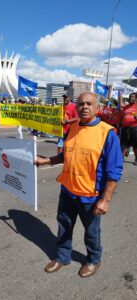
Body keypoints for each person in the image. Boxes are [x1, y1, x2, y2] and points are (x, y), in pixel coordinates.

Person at [36, 92, 123, 278]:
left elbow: (114, 172)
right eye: (81, 103)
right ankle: (62, 256)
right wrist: (46, 161)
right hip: (67, 190)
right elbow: (66, 154)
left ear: (97, 108)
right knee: (64, 226)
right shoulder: (73, 127)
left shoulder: (107, 133)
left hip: (90, 195)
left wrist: (105, 200)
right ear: (76, 108)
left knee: (91, 232)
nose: (84, 106)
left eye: (89, 103)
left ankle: (93, 260)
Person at [119, 92, 137, 165]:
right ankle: (121, 159)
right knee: (124, 144)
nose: (130, 98)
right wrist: (119, 125)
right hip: (125, 128)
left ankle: (136, 158)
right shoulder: (126, 107)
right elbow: (122, 117)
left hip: (134, 128)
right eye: (130, 96)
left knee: (135, 146)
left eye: (132, 96)